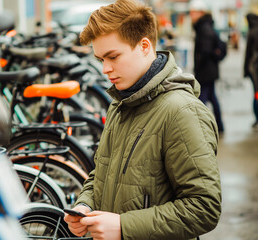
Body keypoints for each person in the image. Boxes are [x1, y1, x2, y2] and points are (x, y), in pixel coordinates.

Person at [63, 0, 222, 239]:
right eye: (100, 59)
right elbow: (102, 172)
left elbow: (204, 208)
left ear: (144, 46)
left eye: (113, 56)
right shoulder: (122, 102)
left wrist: (123, 226)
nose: (105, 69)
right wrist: (85, 206)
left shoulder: (182, 112)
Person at [189, 0, 225, 133]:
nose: (191, 15)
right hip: (209, 71)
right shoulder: (204, 26)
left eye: (193, 12)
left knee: (201, 100)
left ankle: (200, 128)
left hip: (206, 72)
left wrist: (198, 68)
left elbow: (204, 51)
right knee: (211, 99)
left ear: (201, 13)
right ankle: (220, 126)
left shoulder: (204, 28)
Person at [243, 13, 258, 129]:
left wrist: (245, 70)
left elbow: (248, 53)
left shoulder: (252, 32)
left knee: (256, 93)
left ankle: (257, 118)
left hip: (255, 69)